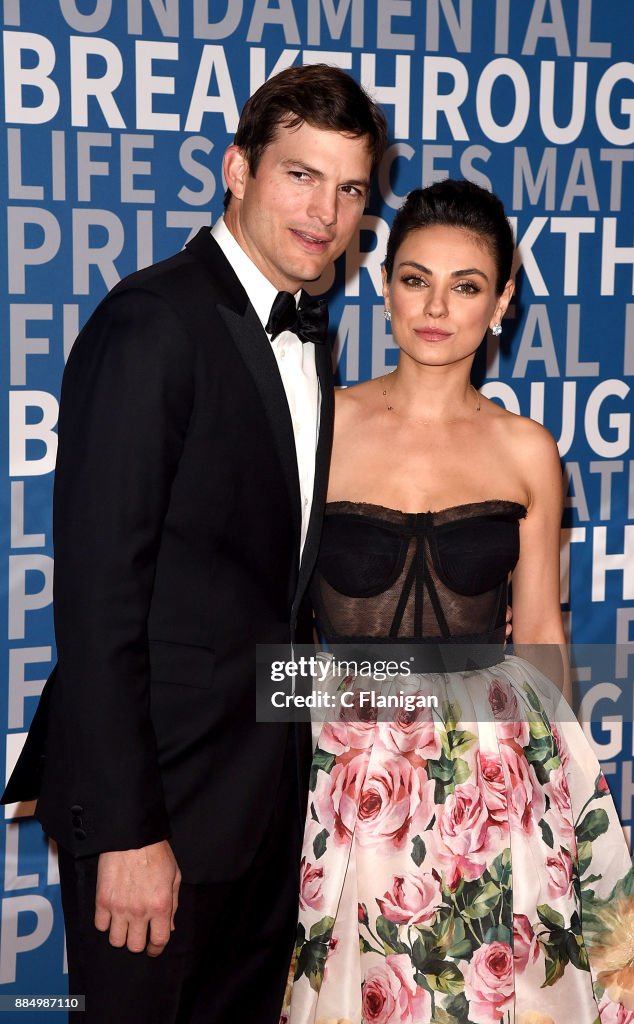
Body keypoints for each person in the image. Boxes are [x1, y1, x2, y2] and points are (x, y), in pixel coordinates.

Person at [2, 65, 387, 1024]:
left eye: (350, 190)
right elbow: (99, 601)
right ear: (236, 170)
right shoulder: (153, 324)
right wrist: (129, 834)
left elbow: (267, 585)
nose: (326, 212)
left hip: (263, 809)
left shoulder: (311, 337)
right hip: (158, 814)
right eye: (301, 176)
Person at [284, 180, 634, 1024]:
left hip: (489, 781)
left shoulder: (527, 450)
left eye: (465, 287)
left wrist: (560, 797)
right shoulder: (316, 427)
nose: (436, 308)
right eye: (416, 279)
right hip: (339, 768)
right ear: (383, 287)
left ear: (500, 303)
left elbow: (537, 627)